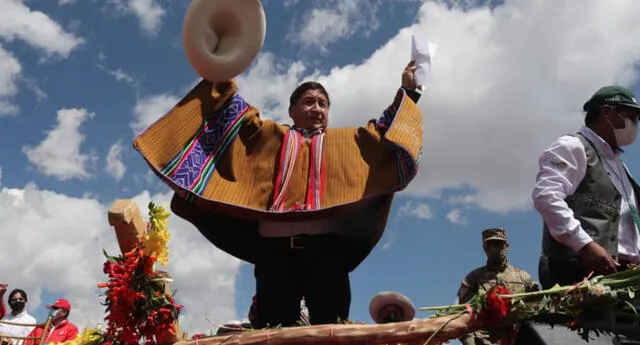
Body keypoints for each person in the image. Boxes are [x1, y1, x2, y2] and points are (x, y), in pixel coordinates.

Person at [133, 60, 423, 328]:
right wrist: (220, 73)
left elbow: (384, 133)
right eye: (308, 102)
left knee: (332, 331)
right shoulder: (268, 138)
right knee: (273, 331)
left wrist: (408, 92)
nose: (317, 109)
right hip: (275, 257)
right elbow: (230, 114)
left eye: (323, 104)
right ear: (292, 111)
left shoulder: (348, 144)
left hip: (327, 257)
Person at [533, 85, 640, 289]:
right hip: (582, 274)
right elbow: (546, 196)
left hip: (626, 277)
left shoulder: (622, 167)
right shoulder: (573, 146)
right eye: (631, 116)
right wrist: (584, 244)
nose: (635, 125)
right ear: (607, 113)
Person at [456, 228, 539, 345]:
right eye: (490, 244)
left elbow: (536, 312)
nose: (494, 248)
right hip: (483, 341)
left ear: (506, 246)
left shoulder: (523, 277)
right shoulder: (473, 278)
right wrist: (469, 341)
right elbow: (462, 314)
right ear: (484, 248)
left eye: (498, 244)